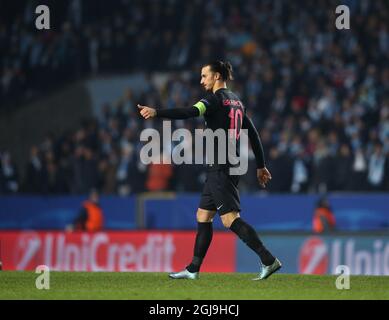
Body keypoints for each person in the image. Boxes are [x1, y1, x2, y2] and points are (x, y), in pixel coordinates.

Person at [138, 60, 281, 280]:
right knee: (203, 215)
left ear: (216, 77)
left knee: (229, 219)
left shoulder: (214, 100)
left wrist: (157, 112)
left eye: (205, 75)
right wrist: (261, 165)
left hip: (221, 167)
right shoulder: (237, 102)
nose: (201, 80)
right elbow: (253, 133)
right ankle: (193, 269)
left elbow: (190, 111)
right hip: (228, 164)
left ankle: (268, 260)